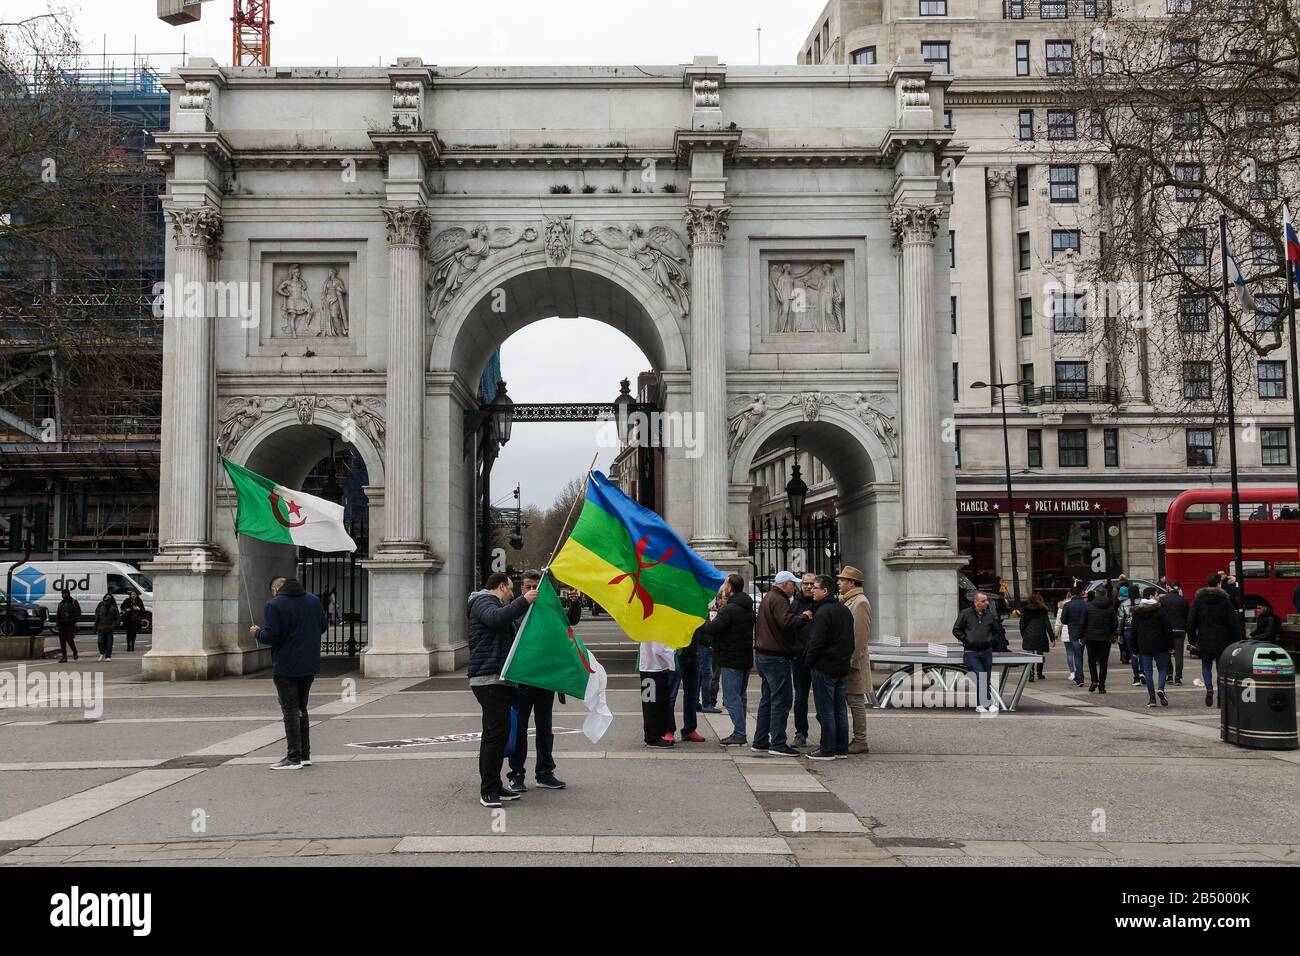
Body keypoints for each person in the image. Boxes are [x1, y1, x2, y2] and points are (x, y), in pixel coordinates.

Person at [467, 572, 537, 807]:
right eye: (510, 589)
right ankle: (488, 789)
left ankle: (495, 785)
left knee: (497, 735)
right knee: (494, 736)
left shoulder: (488, 602)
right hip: (488, 679)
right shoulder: (484, 601)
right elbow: (496, 619)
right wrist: (524, 601)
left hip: (496, 679)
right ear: (500, 587)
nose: (511, 594)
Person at [250, 576, 328, 770]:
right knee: (302, 708)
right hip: (309, 665)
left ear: (276, 589)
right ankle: (304, 754)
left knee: (290, 710)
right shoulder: (313, 600)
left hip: (286, 665)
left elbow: (272, 636)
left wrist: (257, 633)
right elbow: (324, 627)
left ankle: (293, 757)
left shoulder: (274, 605)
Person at [506, 571, 571, 794]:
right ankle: (516, 774)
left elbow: (566, 628)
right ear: (521, 589)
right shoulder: (515, 610)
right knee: (520, 729)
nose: (532, 590)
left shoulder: (548, 609)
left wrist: (574, 606)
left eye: (536, 586)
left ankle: (545, 773)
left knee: (545, 728)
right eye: (528, 586)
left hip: (544, 679)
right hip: (521, 680)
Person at [752, 569, 809, 756]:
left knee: (767, 699)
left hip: (764, 655)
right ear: (784, 584)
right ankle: (778, 742)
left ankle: (760, 740)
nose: (795, 588)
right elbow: (786, 622)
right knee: (781, 700)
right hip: (776, 656)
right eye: (793, 584)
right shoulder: (779, 599)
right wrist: (804, 618)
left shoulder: (769, 597)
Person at [699, 573, 755, 746]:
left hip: (731, 659)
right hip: (744, 657)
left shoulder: (730, 609)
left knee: (731, 698)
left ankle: (739, 733)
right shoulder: (747, 607)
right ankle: (740, 731)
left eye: (725, 583)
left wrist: (701, 620)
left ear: (730, 587)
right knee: (741, 696)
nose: (723, 586)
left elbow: (713, 628)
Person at [804, 574, 855, 760]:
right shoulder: (844, 610)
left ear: (825, 591)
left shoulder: (823, 612)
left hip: (824, 666)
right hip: (841, 665)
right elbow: (850, 639)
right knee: (839, 709)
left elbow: (816, 641)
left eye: (815, 587)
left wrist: (809, 662)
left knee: (826, 710)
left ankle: (827, 749)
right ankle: (841, 748)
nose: (811, 589)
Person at [1187, 573, 1244, 708]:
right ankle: (1220, 698)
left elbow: (1191, 621)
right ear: (1219, 584)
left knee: (1206, 665)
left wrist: (1192, 639)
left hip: (1204, 639)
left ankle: (1209, 688)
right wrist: (1238, 640)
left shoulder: (1199, 601)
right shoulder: (1225, 601)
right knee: (1221, 669)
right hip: (1222, 640)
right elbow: (1233, 623)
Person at [837, 566, 873, 754]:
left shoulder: (860, 603)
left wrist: (850, 662)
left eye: (842, 580)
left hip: (853, 661)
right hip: (846, 658)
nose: (839, 582)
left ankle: (860, 740)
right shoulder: (848, 601)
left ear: (852, 583)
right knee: (850, 699)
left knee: (856, 700)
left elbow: (859, 636)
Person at [951, 592, 1006, 712]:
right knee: (981, 676)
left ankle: (981, 704)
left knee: (985, 678)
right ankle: (985, 703)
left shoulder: (990, 616)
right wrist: (966, 639)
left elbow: (997, 631)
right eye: (983, 601)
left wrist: (991, 641)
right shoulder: (965, 614)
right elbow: (956, 629)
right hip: (971, 652)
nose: (986, 603)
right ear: (976, 603)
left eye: (986, 600)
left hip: (986, 651)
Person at [1131, 586, 1174, 707]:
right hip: (1160, 644)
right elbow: (1168, 629)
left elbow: (1134, 631)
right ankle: (1160, 688)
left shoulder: (1137, 612)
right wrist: (1171, 645)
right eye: (1156, 595)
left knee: (1148, 672)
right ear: (1150, 596)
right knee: (1162, 669)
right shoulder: (1159, 610)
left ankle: (1152, 699)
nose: (1158, 597)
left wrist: (1134, 649)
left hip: (1144, 645)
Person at [790, 572, 817, 747]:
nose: (808, 586)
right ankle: (800, 733)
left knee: (823, 697)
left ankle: (829, 734)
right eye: (805, 583)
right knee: (800, 697)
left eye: (812, 584)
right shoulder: (795, 605)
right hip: (800, 657)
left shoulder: (822, 603)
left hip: (819, 658)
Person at [1080, 586, 1119, 694]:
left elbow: (1082, 623)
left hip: (1091, 637)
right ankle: (1102, 685)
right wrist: (1111, 633)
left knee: (1091, 660)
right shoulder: (1110, 608)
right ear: (1105, 595)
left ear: (1096, 595)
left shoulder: (1088, 607)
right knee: (1103, 662)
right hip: (1105, 638)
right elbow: (1115, 623)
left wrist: (1082, 636)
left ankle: (1094, 680)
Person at [639, 639, 677, 747]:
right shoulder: (656, 627)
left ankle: (655, 734)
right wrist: (673, 650)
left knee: (652, 703)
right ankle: (652, 737)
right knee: (654, 704)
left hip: (650, 667)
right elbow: (659, 649)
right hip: (654, 668)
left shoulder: (649, 626)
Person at [1159, 581, 1190, 684]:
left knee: (1167, 653)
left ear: (1169, 588)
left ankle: (1169, 675)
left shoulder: (1163, 599)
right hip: (1180, 629)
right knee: (1179, 654)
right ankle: (1178, 677)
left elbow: (1160, 616)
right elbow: (1187, 616)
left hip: (1167, 630)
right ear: (1179, 588)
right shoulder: (1184, 600)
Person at [1019, 593, 1052, 681]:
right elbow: (1047, 625)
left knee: (1030, 655)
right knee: (1040, 655)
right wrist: (1052, 637)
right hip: (1040, 635)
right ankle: (1039, 673)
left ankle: (1031, 674)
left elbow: (1022, 624)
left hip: (1028, 635)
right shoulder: (1043, 610)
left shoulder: (1025, 610)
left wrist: (1023, 634)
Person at [1059, 588, 1089, 687]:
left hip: (1073, 632)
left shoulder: (1067, 605)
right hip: (1084, 633)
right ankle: (1079, 676)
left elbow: (1063, 620)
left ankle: (1079, 677)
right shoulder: (1086, 604)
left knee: (1077, 655)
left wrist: (1071, 622)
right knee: (1080, 653)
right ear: (1080, 594)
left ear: (1071, 594)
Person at [1116, 585, 1144, 685]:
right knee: (1142, 652)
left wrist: (1119, 633)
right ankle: (1142, 671)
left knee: (1133, 653)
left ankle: (1136, 677)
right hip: (1142, 630)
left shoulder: (1124, 604)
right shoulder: (1143, 603)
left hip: (1128, 630)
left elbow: (1120, 620)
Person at [55, 588, 81, 663]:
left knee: (70, 640)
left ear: (69, 594)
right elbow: (58, 614)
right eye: (63, 594)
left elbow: (78, 613)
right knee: (62, 641)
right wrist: (57, 623)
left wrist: (70, 616)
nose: (65, 595)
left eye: (66, 593)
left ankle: (75, 652)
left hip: (70, 624)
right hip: (62, 625)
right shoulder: (61, 604)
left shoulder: (74, 602)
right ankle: (64, 657)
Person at [93, 593, 119, 661]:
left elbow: (117, 619)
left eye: (108, 600)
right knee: (100, 642)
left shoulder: (114, 609)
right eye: (105, 600)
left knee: (109, 643)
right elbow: (97, 618)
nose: (106, 602)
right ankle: (102, 653)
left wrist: (112, 626)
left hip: (109, 628)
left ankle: (108, 656)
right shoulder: (100, 608)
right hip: (100, 628)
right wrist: (95, 627)